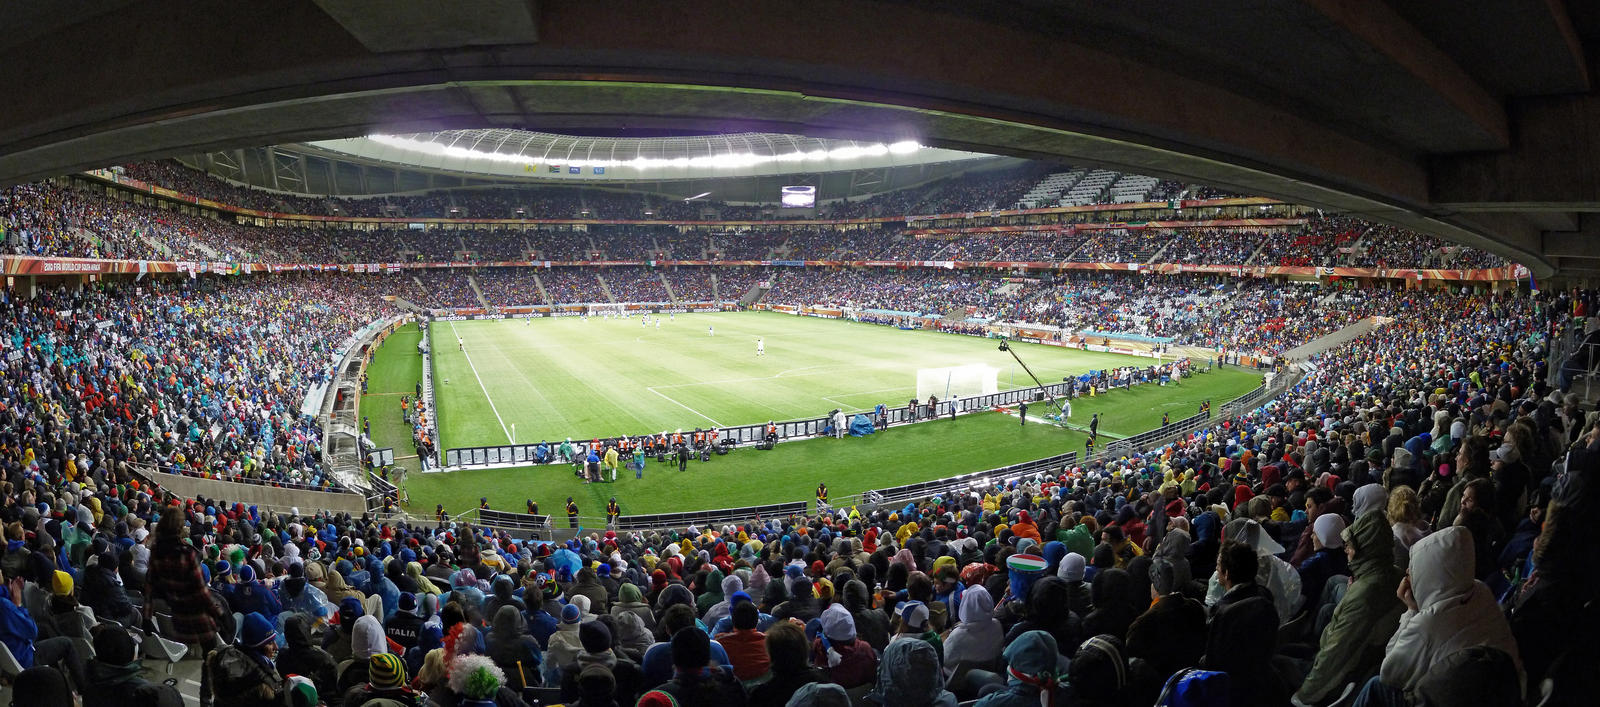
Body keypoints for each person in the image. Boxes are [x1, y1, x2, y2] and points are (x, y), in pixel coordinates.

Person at [1354, 526, 1523, 706]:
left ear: (1429, 572)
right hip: (1511, 692)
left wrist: (1411, 612)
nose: (1408, 573)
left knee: (1375, 685)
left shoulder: (1428, 624)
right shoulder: (1480, 590)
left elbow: (1389, 674)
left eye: (1414, 568)